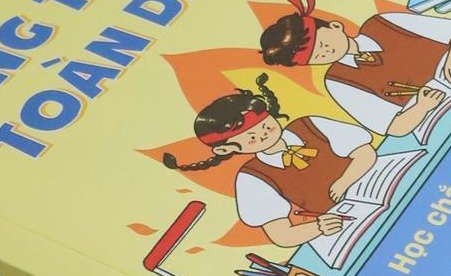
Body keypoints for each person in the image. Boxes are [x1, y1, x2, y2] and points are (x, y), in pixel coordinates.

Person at [161, 73, 377, 252]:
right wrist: (319, 227)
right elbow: (282, 235)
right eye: (251, 137)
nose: (263, 134)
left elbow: (366, 153)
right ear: (225, 149)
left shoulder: (309, 124)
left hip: (377, 183)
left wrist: (344, 182)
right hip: (348, 221)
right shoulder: (252, 178)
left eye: (265, 126)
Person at [260, 0, 451, 137]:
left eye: (322, 42)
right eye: (315, 56)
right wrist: (422, 108)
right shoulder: (338, 81)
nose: (324, 51)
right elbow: (393, 127)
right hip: (444, 117)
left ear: (335, 26)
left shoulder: (381, 23)